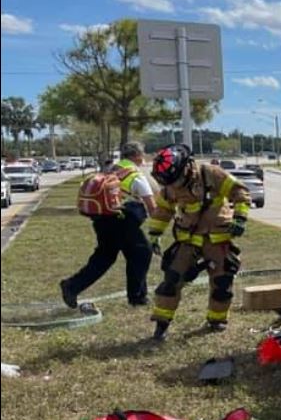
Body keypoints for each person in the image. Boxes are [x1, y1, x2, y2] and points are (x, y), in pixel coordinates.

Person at [145, 144, 252, 340]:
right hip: (188, 239)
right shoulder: (170, 184)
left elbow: (240, 192)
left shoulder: (211, 174)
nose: (175, 186)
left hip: (217, 238)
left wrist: (240, 218)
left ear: (186, 167)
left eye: (176, 180)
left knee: (222, 281)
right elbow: (163, 209)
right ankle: (162, 323)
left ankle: (216, 320)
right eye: (170, 183)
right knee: (172, 280)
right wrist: (155, 233)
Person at [60, 142, 156, 309]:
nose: (143, 158)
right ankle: (137, 297)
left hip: (102, 219)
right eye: (142, 154)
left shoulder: (111, 169)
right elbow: (151, 205)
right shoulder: (135, 175)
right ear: (136, 156)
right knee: (142, 253)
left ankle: (72, 285)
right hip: (122, 221)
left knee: (105, 256)